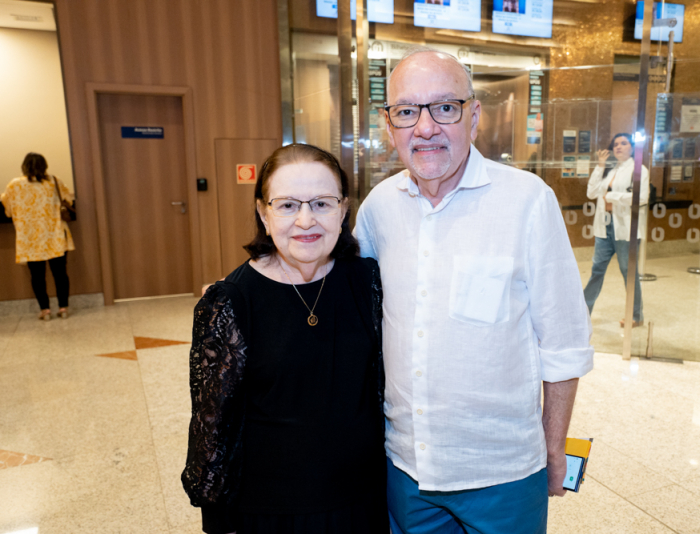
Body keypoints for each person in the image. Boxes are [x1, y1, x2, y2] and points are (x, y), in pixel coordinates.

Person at [356, 47, 593, 534]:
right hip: (406, 470)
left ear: (474, 116)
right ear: (389, 125)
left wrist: (553, 448)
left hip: (504, 473)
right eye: (406, 112)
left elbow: (564, 343)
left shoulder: (526, 201)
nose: (425, 128)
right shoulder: (378, 208)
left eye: (444, 107)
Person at [182, 144, 387, 534]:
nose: (306, 220)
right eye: (288, 205)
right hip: (270, 510)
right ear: (263, 212)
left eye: (323, 204)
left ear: (343, 210)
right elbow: (213, 426)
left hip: (361, 501)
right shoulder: (231, 301)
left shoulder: (366, 280)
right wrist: (219, 519)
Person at [583, 133, 649, 328]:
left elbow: (642, 197)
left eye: (623, 143)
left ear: (632, 147)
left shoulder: (639, 170)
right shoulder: (611, 171)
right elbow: (591, 192)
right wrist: (600, 166)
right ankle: (583, 312)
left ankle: (636, 315)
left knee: (628, 273)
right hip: (605, 228)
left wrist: (612, 196)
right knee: (596, 271)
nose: (618, 147)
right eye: (615, 144)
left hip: (625, 230)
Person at [1, 153, 74, 320]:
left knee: (37, 276)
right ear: (45, 165)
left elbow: (8, 210)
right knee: (60, 273)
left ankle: (45, 310)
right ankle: (63, 308)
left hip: (30, 238)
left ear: (24, 166)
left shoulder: (14, 185)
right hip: (54, 235)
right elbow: (67, 200)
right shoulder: (54, 181)